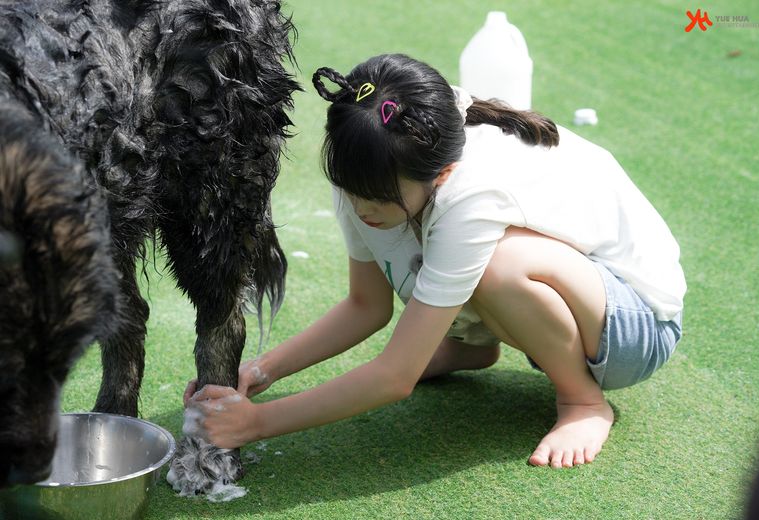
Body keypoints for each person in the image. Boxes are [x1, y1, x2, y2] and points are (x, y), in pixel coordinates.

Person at [183, 53, 686, 468]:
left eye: (380, 199)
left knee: (500, 266)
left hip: (632, 327)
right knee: (467, 263)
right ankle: (468, 346)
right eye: (353, 192)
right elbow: (366, 306)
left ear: (442, 174)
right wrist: (262, 371)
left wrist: (255, 423)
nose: (363, 210)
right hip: (571, 305)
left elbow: (394, 378)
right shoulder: (366, 167)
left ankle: (582, 399)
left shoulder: (473, 193)